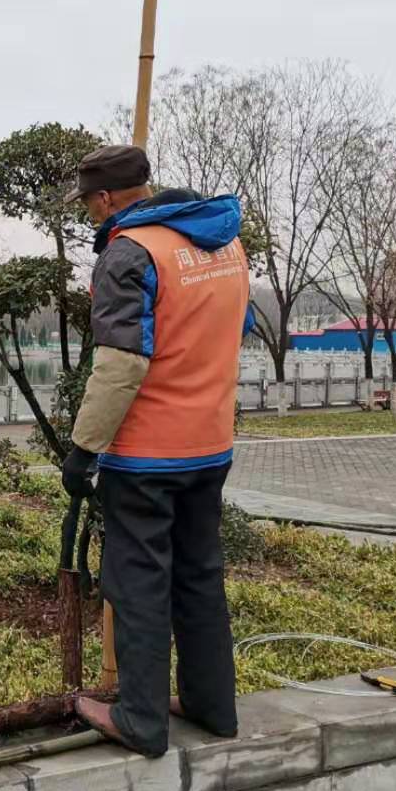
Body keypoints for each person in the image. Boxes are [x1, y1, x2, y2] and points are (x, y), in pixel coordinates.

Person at [60, 145, 253, 758]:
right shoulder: (224, 244)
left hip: (146, 455)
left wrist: (83, 449)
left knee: (138, 582)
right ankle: (211, 706)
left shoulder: (129, 252)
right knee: (200, 574)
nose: (89, 213)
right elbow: (234, 328)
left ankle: (141, 720)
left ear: (106, 198)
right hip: (210, 445)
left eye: (89, 203)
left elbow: (121, 364)